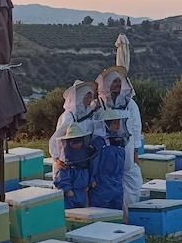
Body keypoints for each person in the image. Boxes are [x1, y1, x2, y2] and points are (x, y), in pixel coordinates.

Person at [95, 66, 142, 206]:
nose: (117, 85)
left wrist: (135, 150)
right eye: (113, 82)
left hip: (127, 145)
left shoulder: (129, 104)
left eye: (118, 81)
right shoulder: (99, 104)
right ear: (107, 84)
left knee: (131, 176)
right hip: (106, 149)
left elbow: (135, 127)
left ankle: (130, 211)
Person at [48, 80, 99, 168]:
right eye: (87, 96)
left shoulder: (89, 113)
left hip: (84, 159)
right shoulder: (68, 116)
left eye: (91, 96)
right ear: (79, 97)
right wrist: (57, 159)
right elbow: (55, 139)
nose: (90, 99)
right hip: (67, 161)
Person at [89, 109, 128, 211]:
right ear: (105, 124)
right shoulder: (98, 143)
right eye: (114, 123)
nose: (118, 125)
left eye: (118, 122)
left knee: (116, 214)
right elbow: (93, 163)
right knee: (101, 214)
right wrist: (92, 179)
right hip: (102, 185)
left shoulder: (119, 141)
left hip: (117, 184)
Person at [53, 122, 95, 209]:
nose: (77, 145)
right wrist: (67, 190)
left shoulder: (85, 155)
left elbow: (89, 171)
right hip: (70, 196)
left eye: (78, 142)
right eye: (74, 142)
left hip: (82, 193)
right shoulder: (65, 159)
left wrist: (89, 183)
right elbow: (61, 177)